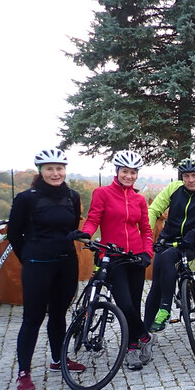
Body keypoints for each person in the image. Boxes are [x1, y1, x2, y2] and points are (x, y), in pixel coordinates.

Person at [8, 149, 83, 390]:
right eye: (49, 168)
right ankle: (24, 372)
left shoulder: (73, 196)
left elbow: (71, 227)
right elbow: (14, 234)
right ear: (40, 171)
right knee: (33, 318)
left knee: (59, 314)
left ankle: (58, 360)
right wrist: (29, 258)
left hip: (66, 263)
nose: (55, 173)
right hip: (38, 264)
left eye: (59, 168)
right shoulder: (26, 198)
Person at [72, 150, 154, 370]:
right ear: (117, 172)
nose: (129, 176)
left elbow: (146, 229)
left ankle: (131, 349)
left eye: (133, 172)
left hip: (136, 257)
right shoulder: (102, 193)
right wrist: (86, 234)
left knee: (134, 305)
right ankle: (146, 336)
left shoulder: (139, 199)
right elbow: (93, 219)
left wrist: (147, 253)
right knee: (124, 303)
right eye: (125, 171)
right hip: (113, 256)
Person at [145, 159, 195, 333]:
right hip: (167, 240)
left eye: (194, 175)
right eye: (186, 176)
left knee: (168, 257)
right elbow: (153, 210)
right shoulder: (174, 189)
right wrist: (147, 234)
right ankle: (144, 332)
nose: (191, 180)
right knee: (156, 286)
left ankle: (165, 309)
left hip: (191, 243)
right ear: (182, 177)